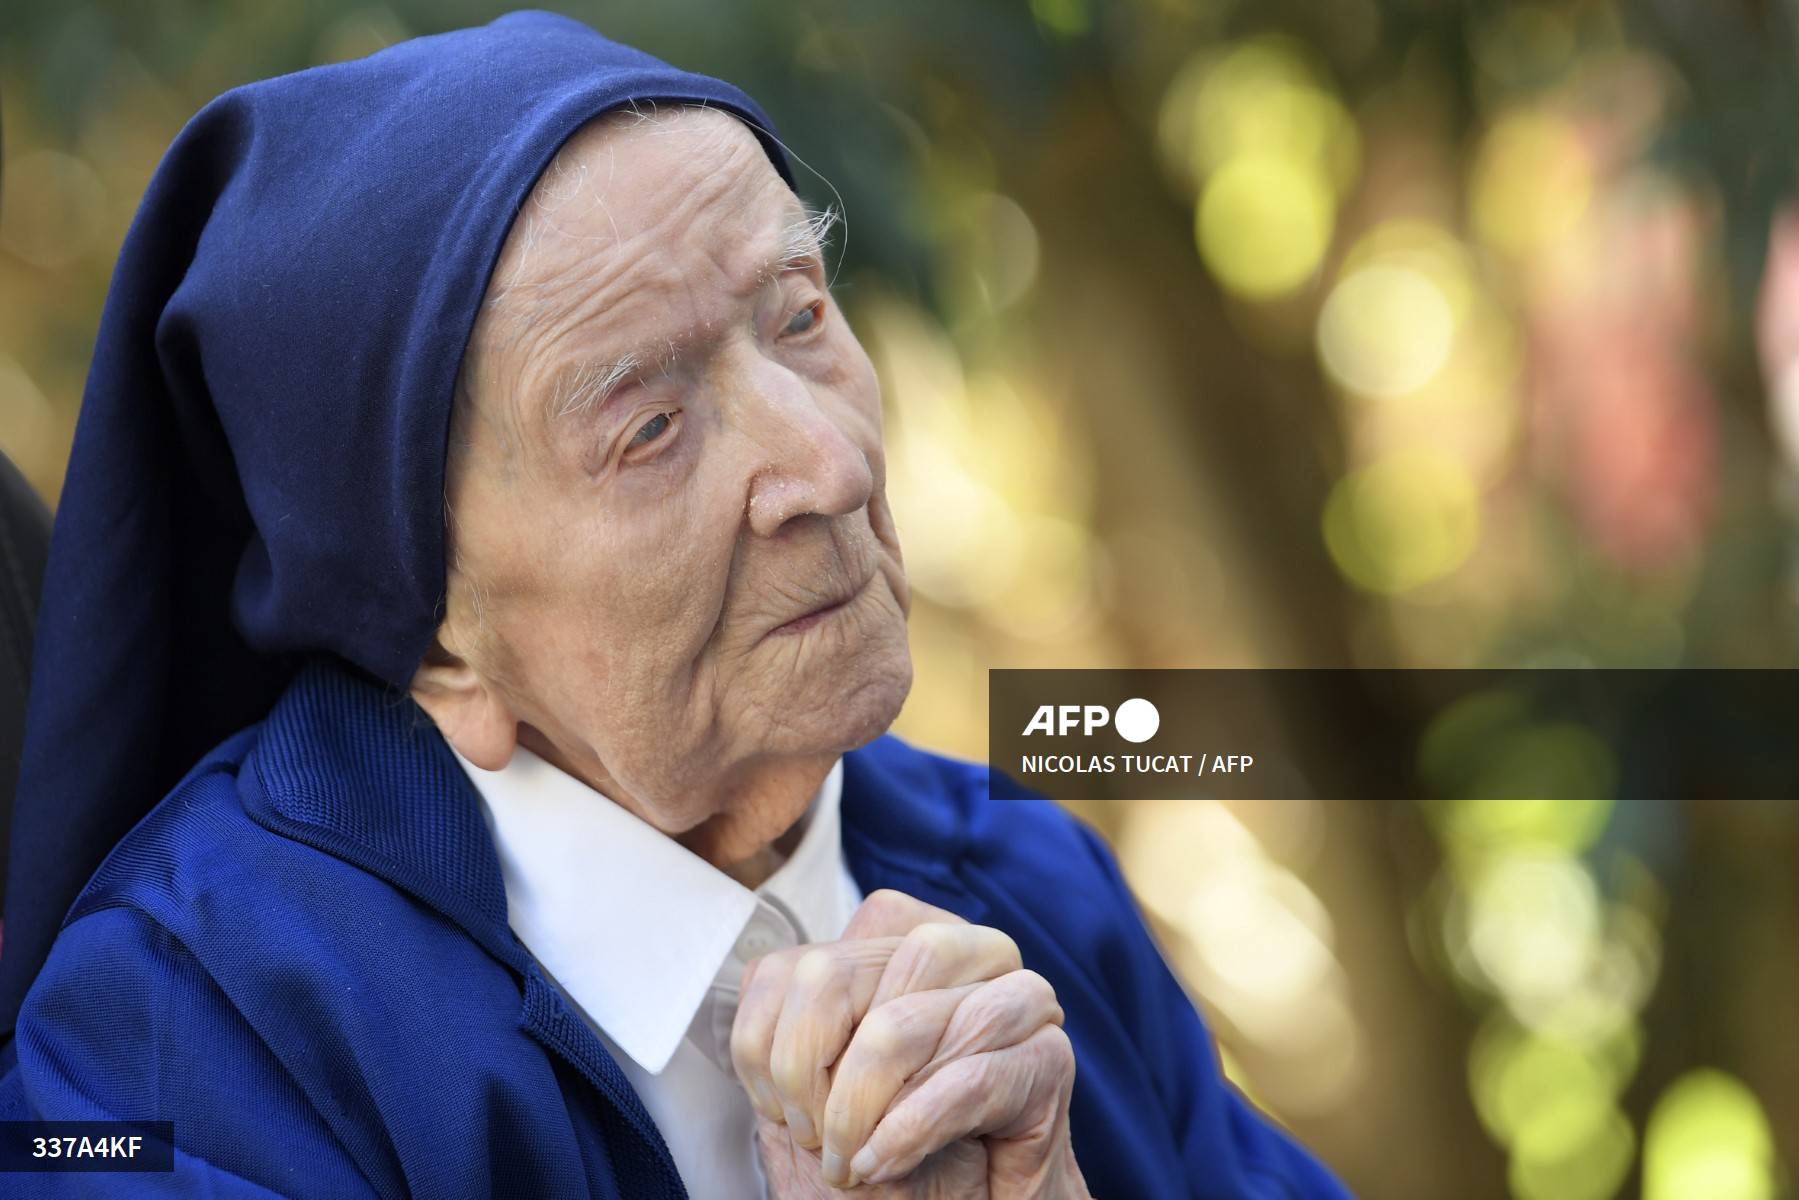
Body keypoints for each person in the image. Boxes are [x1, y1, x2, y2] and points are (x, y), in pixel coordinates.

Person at [0, 13, 1353, 1198]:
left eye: (800, 320)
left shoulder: (1021, 880)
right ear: (436, 640)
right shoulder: (198, 1036)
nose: (826, 468)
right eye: (650, 427)